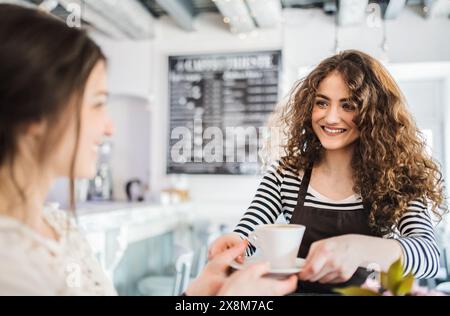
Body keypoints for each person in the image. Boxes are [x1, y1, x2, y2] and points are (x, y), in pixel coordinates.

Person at [0, 4, 297, 296]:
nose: (109, 129)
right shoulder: (10, 267)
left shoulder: (57, 225)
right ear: (33, 117)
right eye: (98, 104)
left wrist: (198, 294)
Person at [209, 50, 448, 293]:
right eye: (322, 103)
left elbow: (428, 256)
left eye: (348, 105)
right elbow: (248, 234)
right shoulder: (286, 174)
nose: (331, 117)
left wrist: (358, 249)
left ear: (374, 114)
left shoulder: (397, 179)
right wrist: (234, 245)